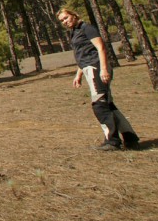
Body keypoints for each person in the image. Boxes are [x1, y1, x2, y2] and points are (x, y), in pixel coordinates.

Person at [57, 8, 139, 151]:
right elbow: (83, 55)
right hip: (89, 68)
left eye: (66, 18)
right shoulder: (75, 32)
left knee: (99, 105)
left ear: (73, 15)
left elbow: (101, 48)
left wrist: (104, 69)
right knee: (107, 104)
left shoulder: (87, 28)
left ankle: (112, 141)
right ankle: (130, 136)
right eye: (62, 20)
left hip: (96, 68)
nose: (65, 22)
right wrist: (79, 74)